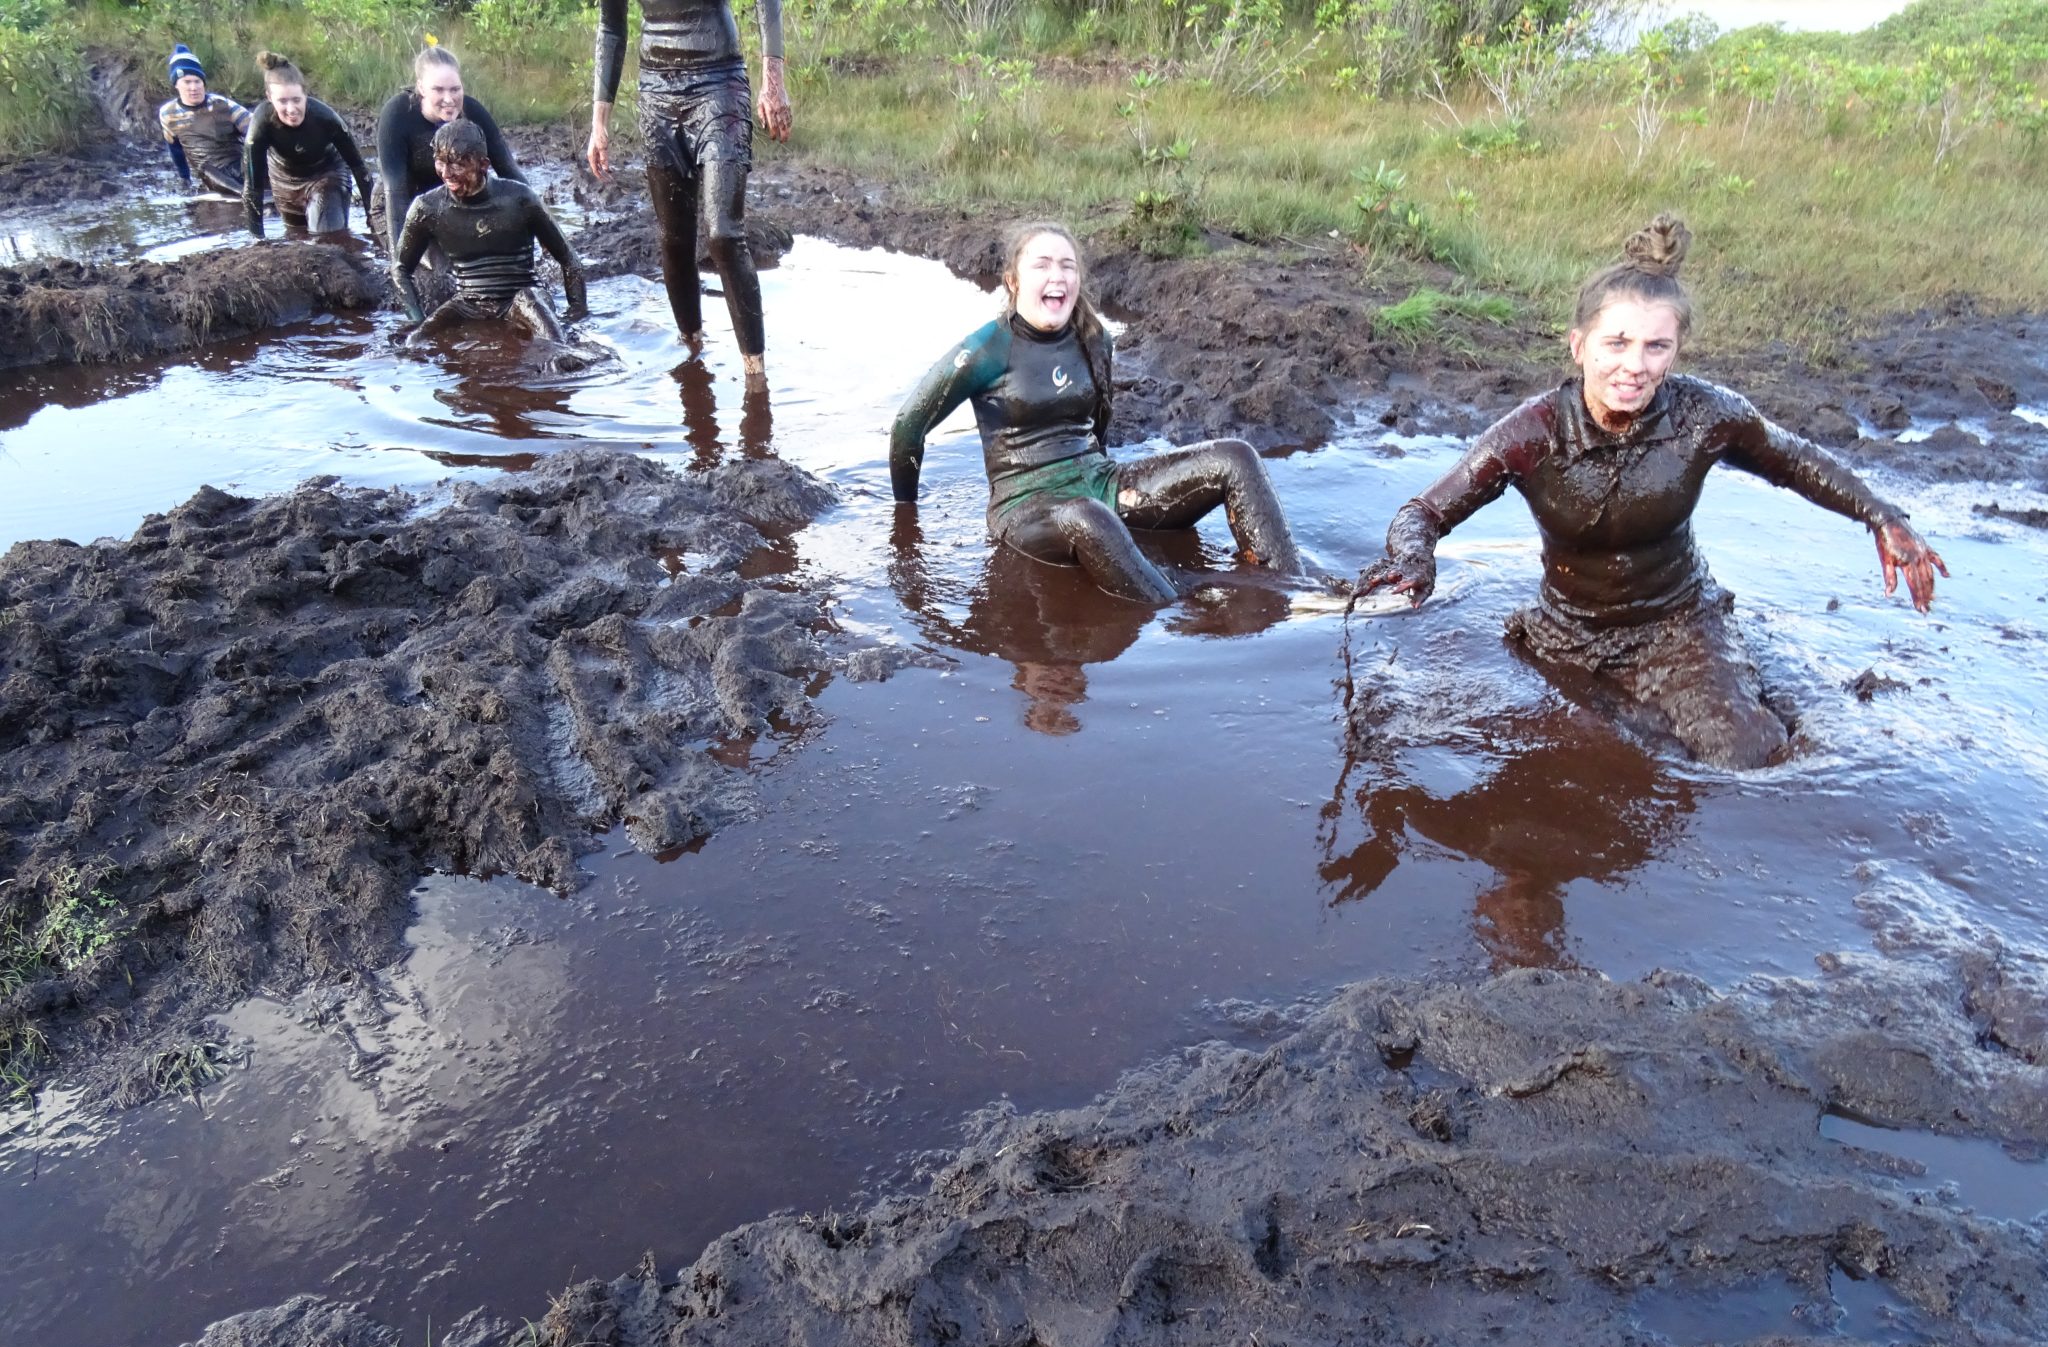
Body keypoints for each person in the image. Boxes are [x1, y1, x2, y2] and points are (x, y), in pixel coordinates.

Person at [1357, 214, 1949, 771]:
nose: (1635, 366)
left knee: (1746, 757)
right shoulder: (1532, 433)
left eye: (1656, 347)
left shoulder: (1705, 416)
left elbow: (1796, 462)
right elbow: (1423, 512)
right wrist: (1414, 559)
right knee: (1599, 764)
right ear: (1579, 345)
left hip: (1679, 623)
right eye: (1616, 343)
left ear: (1675, 352)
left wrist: (1883, 517)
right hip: (1565, 634)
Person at [890, 223, 1303, 605]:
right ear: (1014, 282)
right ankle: (1180, 607)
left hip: (1100, 485)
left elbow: (1100, 423)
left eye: (1067, 266)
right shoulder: (986, 349)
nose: (1057, 276)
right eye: (1042, 265)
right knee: (1088, 518)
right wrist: (906, 516)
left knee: (1235, 457)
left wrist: (1109, 483)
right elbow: (909, 427)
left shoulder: (1095, 338)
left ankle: (1293, 593)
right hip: (1024, 508)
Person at [585, 0, 792, 385]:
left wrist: (773, 81)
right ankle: (693, 356)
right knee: (674, 239)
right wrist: (599, 123)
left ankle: (756, 379)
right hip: (657, 93)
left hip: (719, 82)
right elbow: (611, 29)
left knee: (724, 234)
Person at [393, 120, 588, 345]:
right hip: (468, 302)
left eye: (457, 165)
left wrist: (576, 315)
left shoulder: (520, 199)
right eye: (439, 162)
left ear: (483, 165)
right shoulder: (427, 208)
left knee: (556, 341)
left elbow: (569, 259)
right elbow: (400, 269)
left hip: (522, 297)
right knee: (414, 342)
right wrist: (416, 319)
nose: (446, 174)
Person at [375, 45, 528, 260]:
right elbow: (395, 192)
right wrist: (399, 263)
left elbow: (510, 173)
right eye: (438, 90)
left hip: (451, 202)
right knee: (441, 268)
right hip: (400, 204)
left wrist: (544, 228)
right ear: (421, 88)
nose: (449, 99)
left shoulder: (473, 111)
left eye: (455, 89)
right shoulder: (397, 114)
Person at [241, 52, 373, 238]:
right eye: (282, 101)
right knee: (297, 240)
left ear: (305, 94)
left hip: (327, 176)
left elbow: (359, 168)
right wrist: (257, 239)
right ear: (269, 97)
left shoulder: (326, 118)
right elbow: (252, 188)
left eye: (296, 100)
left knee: (326, 238)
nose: (291, 109)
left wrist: (372, 219)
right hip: (284, 182)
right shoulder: (260, 124)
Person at [157, 45, 250, 197]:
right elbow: (175, 148)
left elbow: (256, 131)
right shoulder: (168, 113)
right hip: (211, 176)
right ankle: (243, 194)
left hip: (240, 168)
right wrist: (184, 178)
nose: (193, 87)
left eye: (197, 81)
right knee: (207, 169)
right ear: (176, 85)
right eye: (187, 82)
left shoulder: (223, 105)